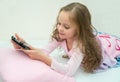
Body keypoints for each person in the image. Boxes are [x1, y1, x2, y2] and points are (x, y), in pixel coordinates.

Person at [11, 2, 120, 76]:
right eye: (59, 23)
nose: (60, 29)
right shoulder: (61, 36)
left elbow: (68, 71)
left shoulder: (80, 45)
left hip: (107, 47)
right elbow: (44, 51)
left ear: (79, 30)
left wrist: (45, 59)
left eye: (66, 27)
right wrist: (24, 45)